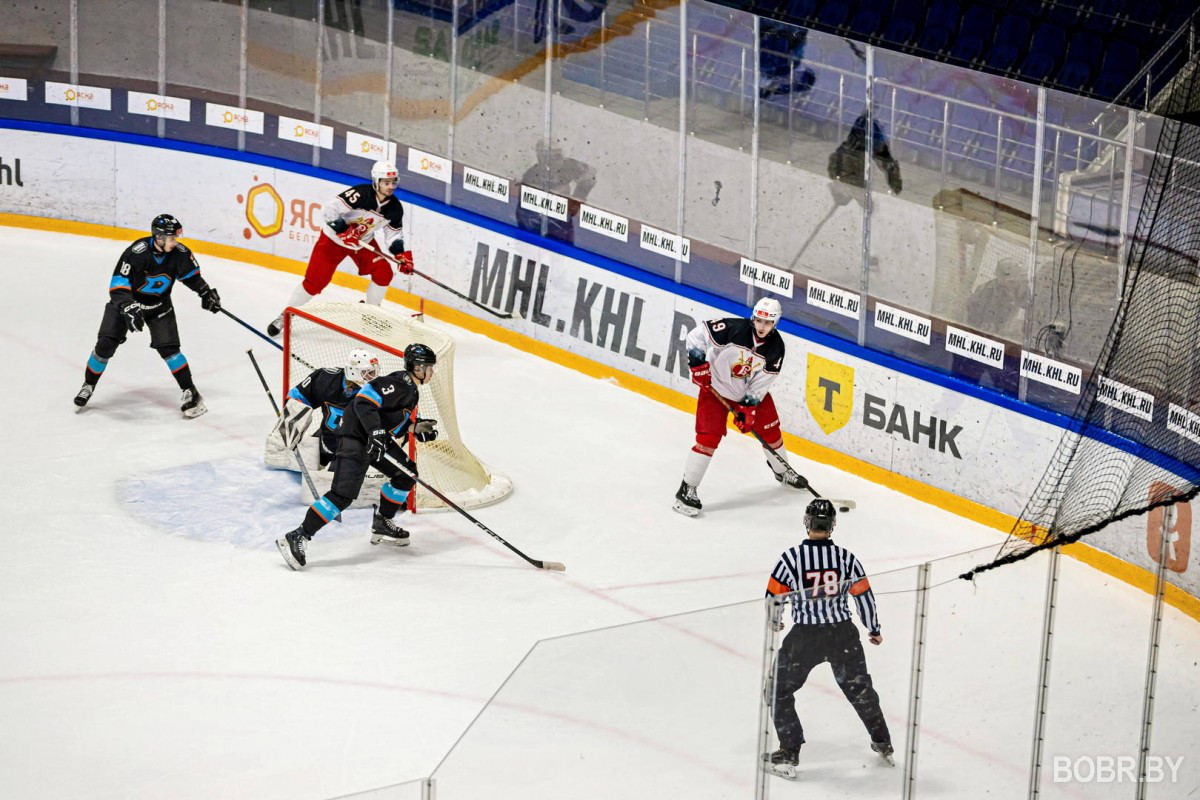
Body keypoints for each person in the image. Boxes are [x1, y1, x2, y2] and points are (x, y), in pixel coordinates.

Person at [277, 343, 439, 570]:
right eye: (430, 368)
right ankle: (298, 535)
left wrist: (417, 428)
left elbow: (395, 420)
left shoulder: (410, 390)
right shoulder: (399, 382)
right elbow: (364, 400)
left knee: (406, 474)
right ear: (419, 368)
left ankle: (382, 522)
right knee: (342, 496)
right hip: (354, 441)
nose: (432, 372)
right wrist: (376, 432)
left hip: (375, 443)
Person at [762, 499, 893, 780]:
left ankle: (789, 751)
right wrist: (873, 628)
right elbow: (863, 596)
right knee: (859, 689)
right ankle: (882, 741)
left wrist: (775, 620)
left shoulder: (791, 558)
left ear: (807, 523)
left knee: (777, 690)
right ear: (832, 525)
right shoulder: (846, 558)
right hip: (842, 634)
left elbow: (774, 596)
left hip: (805, 639)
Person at [74, 214, 221, 418]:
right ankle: (88, 385)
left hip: (159, 306)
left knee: (169, 349)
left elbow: (191, 277)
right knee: (105, 344)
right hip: (128, 304)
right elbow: (118, 285)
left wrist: (205, 292)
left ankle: (191, 392)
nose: (175, 242)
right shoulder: (136, 253)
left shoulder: (180, 253)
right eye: (171, 238)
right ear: (159, 238)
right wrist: (127, 306)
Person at [673, 296, 805, 517]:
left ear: (775, 323)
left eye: (768, 322)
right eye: (759, 320)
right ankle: (686, 490)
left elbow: (762, 382)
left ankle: (782, 471)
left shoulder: (776, 348)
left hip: (746, 393)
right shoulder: (732, 328)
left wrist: (749, 407)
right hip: (714, 390)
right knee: (707, 440)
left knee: (771, 432)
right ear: (753, 318)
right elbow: (696, 337)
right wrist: (698, 364)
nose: (762, 326)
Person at [267, 160, 413, 337]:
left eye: (393, 182)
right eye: (386, 183)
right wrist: (343, 229)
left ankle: (371, 315)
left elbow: (393, 235)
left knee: (384, 272)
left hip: (361, 243)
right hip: (333, 240)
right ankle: (284, 316)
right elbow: (329, 211)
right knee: (314, 283)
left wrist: (400, 254)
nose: (391, 186)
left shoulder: (395, 208)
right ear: (376, 181)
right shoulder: (360, 194)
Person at [276, 349, 381, 469]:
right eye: (369, 373)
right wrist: (289, 421)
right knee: (296, 471)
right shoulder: (326, 378)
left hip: (353, 450)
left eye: (374, 372)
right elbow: (296, 399)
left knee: (337, 483)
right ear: (354, 372)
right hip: (325, 440)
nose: (374, 377)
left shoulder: (376, 391)